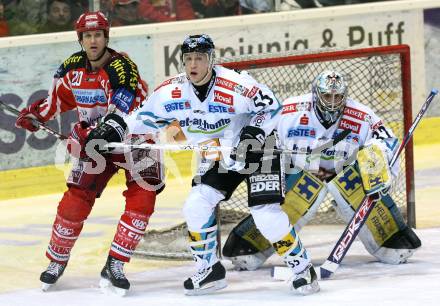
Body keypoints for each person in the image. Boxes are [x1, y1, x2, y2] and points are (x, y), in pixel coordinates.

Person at [88, 34, 320, 295]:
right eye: (188, 59)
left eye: (199, 58)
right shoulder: (171, 91)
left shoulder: (235, 85)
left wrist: (254, 131)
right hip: (221, 155)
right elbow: (143, 118)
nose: (193, 64)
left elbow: (271, 107)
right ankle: (210, 269)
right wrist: (114, 128)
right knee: (196, 205)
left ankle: (302, 269)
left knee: (265, 216)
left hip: (258, 149)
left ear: (211, 59)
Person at [14, 11, 162, 296]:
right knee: (75, 200)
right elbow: (57, 99)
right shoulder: (71, 68)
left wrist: (86, 133)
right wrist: (36, 115)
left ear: (106, 37)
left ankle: (116, 263)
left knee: (143, 199)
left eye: (98, 35)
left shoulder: (123, 69)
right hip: (97, 144)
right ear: (80, 39)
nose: (93, 40)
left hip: (136, 140)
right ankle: (57, 262)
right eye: (87, 36)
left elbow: (122, 114)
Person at [222, 70, 421, 271]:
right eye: (327, 96)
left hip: (345, 176)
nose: (333, 102)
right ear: (316, 94)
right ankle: (252, 244)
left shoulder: (362, 115)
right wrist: (248, 144)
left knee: (355, 178)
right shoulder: (291, 109)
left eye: (338, 96)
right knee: (302, 189)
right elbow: (261, 129)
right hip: (299, 175)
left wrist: (378, 158)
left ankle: (390, 238)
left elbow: (387, 140)